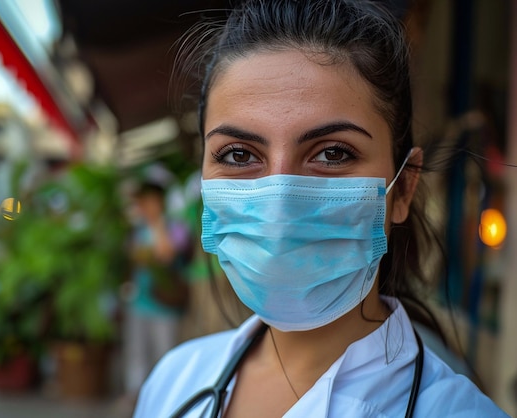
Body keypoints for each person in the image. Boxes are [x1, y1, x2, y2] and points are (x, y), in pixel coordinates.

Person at [132, 1, 510, 417]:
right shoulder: (174, 383)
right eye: (239, 155)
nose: (279, 198)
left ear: (402, 189)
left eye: (332, 153)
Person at [122, 181, 191, 406]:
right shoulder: (137, 230)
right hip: (139, 301)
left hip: (164, 304)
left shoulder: (175, 227)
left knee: (165, 353)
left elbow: (167, 255)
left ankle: (166, 401)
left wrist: (156, 225)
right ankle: (138, 399)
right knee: (136, 353)